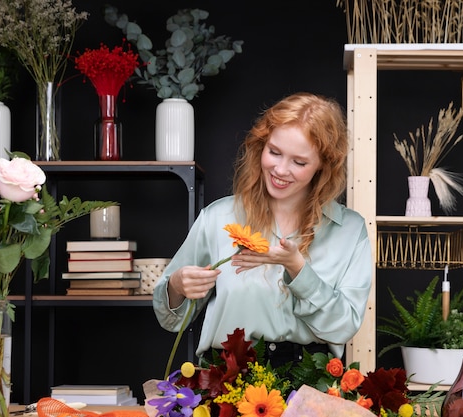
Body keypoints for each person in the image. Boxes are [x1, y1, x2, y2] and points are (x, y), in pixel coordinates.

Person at [153, 92, 373, 367]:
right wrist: (176, 285)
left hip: (308, 385)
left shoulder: (350, 231)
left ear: (324, 166)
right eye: (274, 152)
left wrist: (297, 269)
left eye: (299, 162)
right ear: (261, 146)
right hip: (226, 381)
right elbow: (170, 319)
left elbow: (342, 327)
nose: (280, 169)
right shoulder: (217, 217)